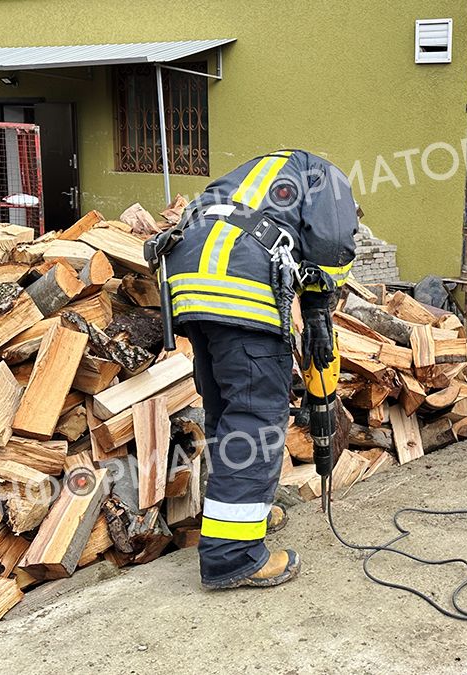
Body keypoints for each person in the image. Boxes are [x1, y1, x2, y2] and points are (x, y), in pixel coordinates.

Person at [152, 150, 358, 589]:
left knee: (227, 411)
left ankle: (243, 517)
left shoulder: (262, 173)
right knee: (256, 418)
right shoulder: (330, 179)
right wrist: (318, 309)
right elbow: (332, 244)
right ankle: (233, 556)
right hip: (240, 286)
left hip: (187, 286)